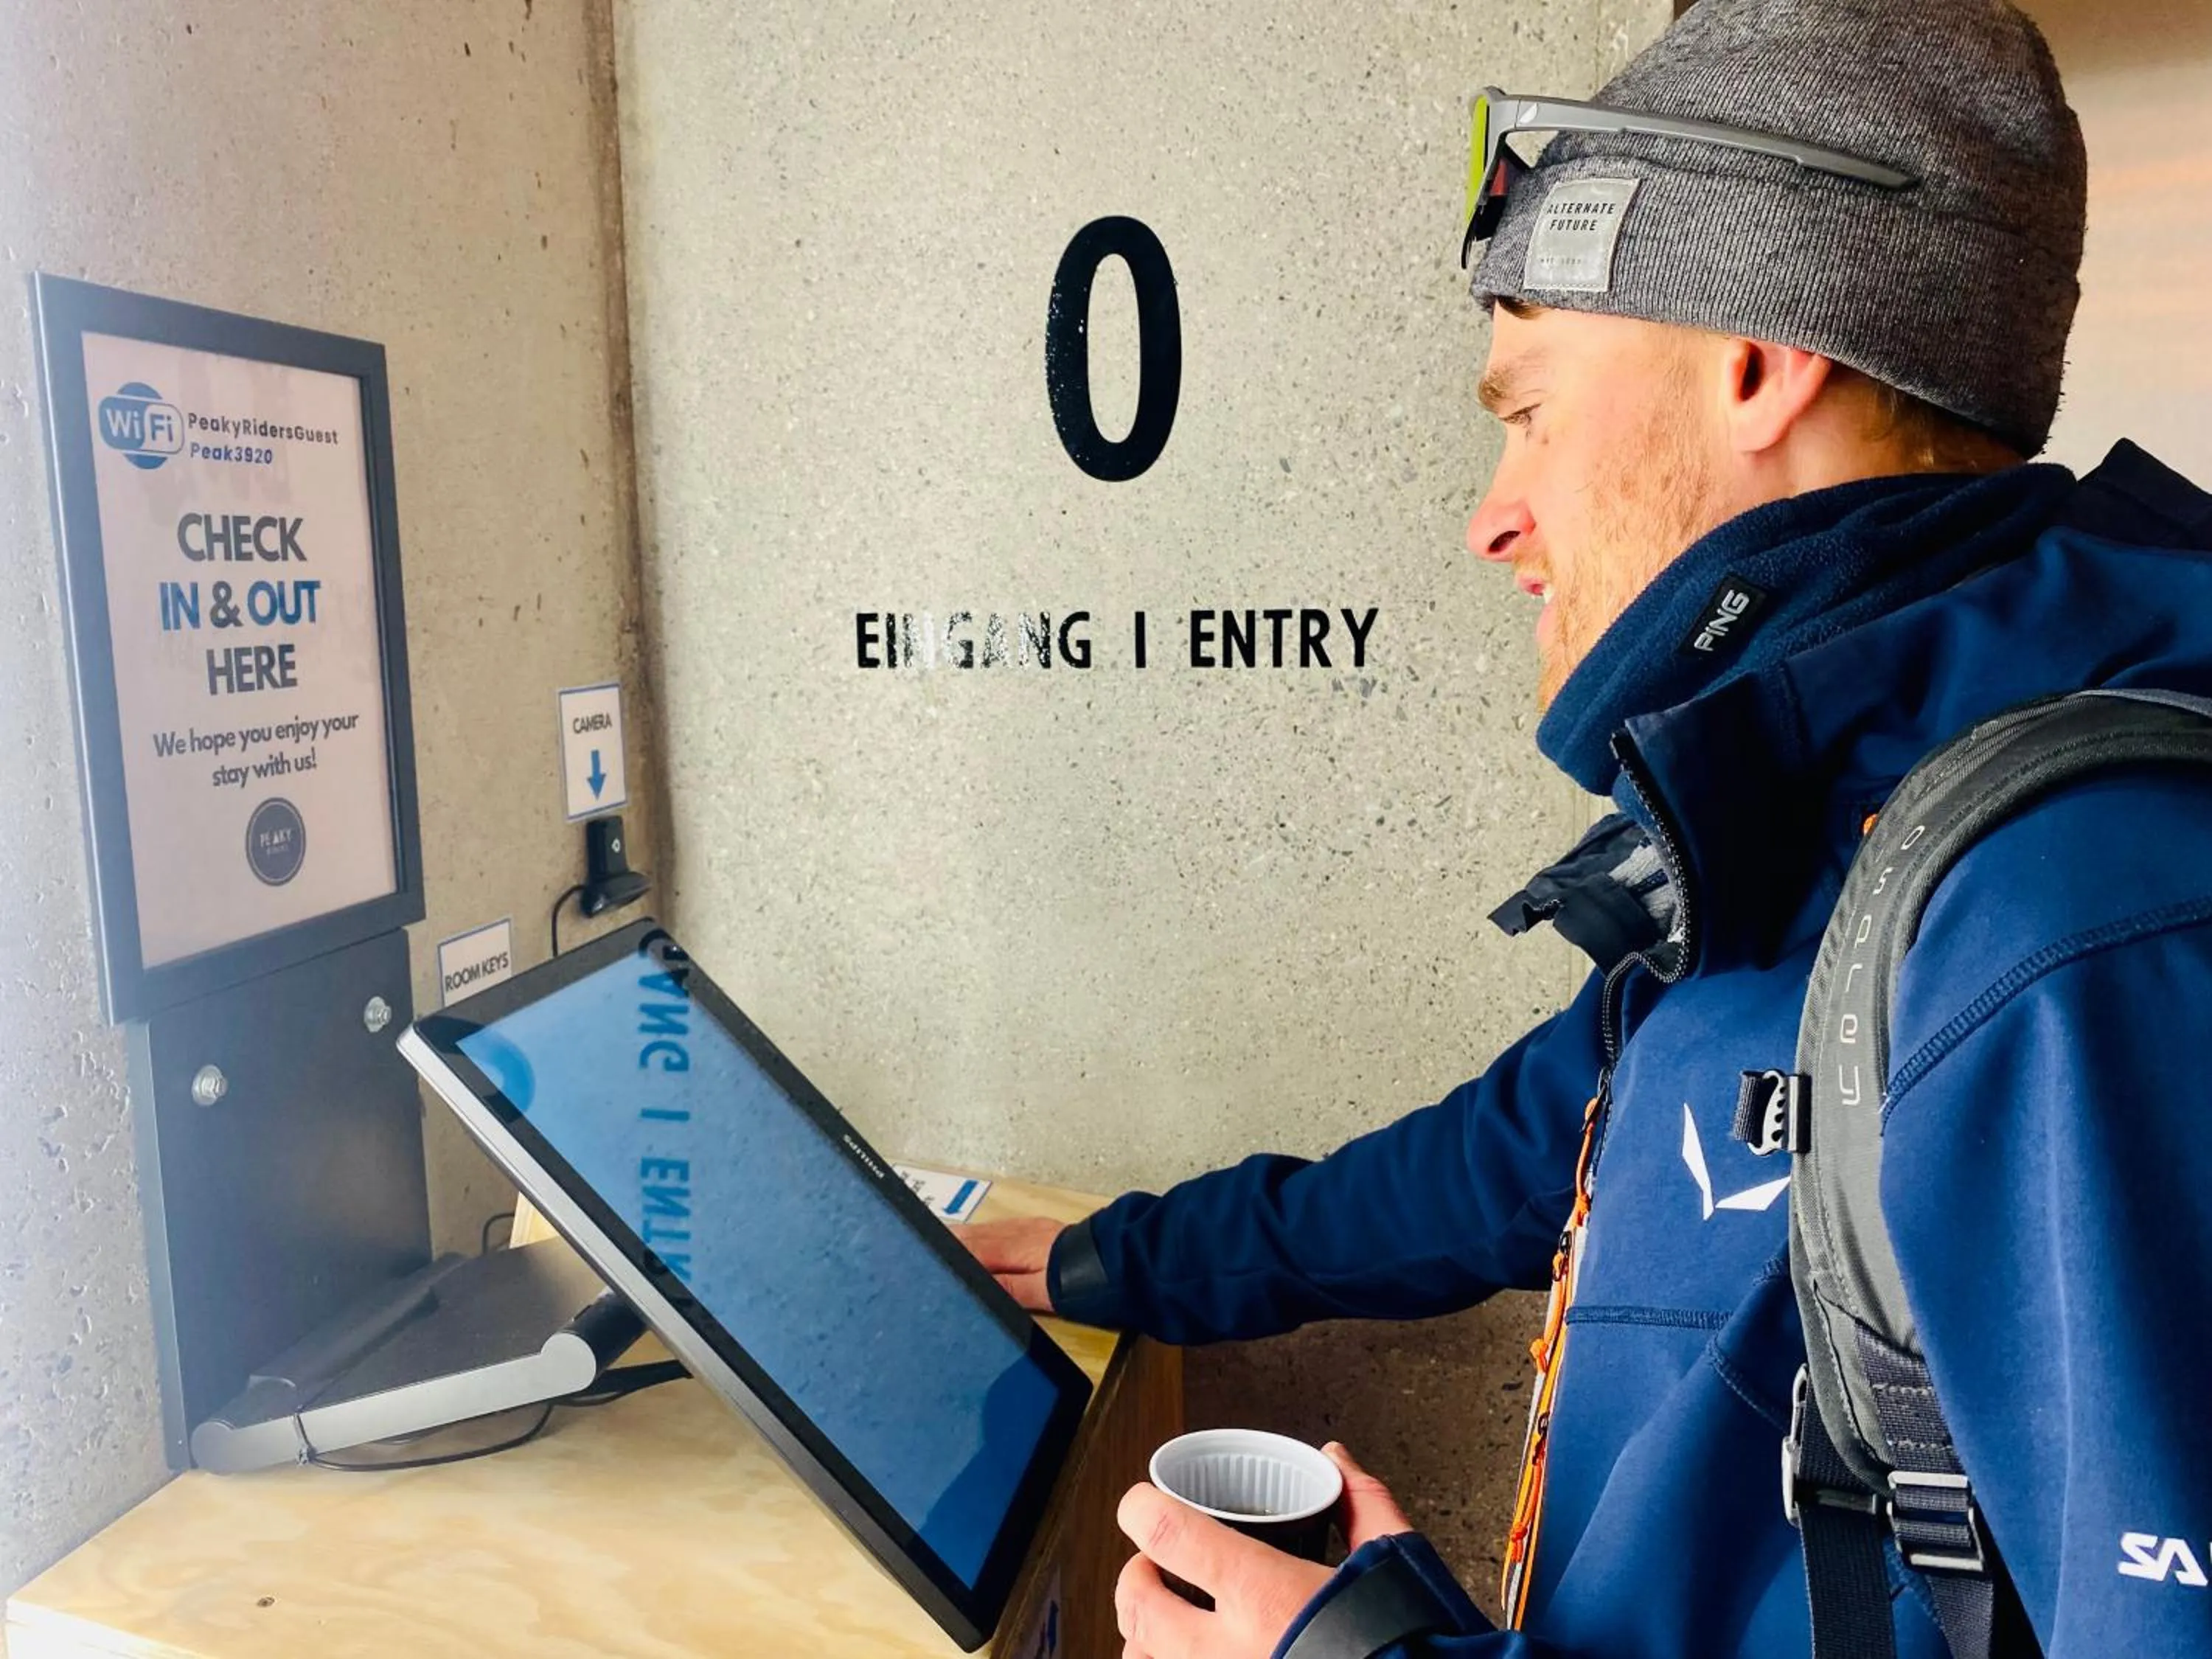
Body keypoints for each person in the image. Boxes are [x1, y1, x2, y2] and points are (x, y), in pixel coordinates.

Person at [961, 1, 2212, 1655]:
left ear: (1758, 362)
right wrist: (1104, 1263)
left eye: (1531, 410)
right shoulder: (1823, 832)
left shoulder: (2072, 929)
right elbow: (1516, 1156)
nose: (1495, 516)